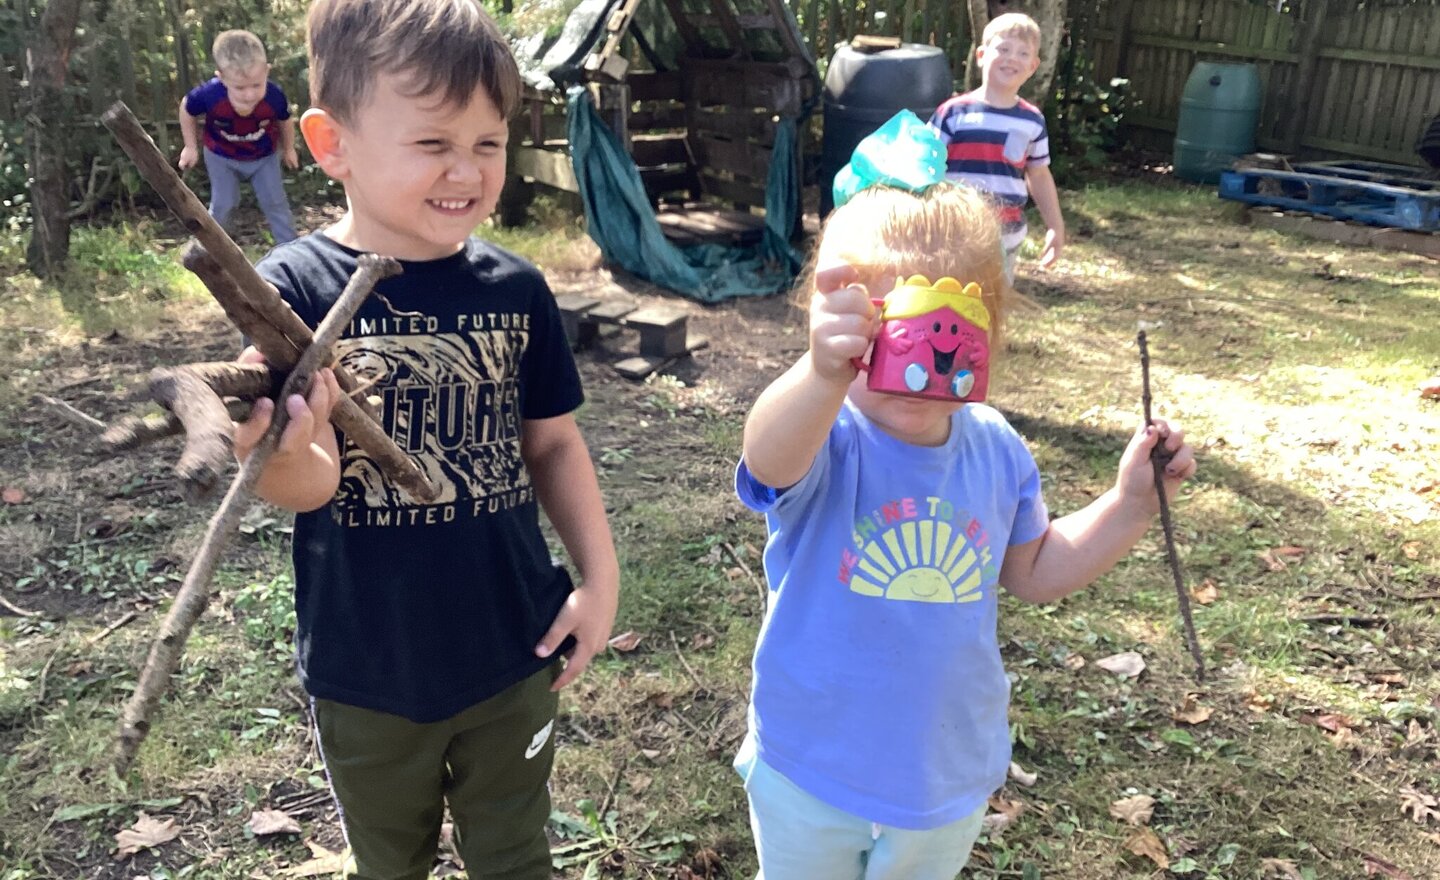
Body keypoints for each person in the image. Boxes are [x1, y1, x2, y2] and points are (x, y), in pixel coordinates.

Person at [230, 2, 620, 877]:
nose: (468, 171)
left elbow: (552, 444)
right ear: (332, 145)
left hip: (514, 646)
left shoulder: (516, 288)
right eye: (433, 143)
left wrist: (600, 580)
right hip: (369, 663)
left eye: (489, 143)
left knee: (516, 854)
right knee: (388, 862)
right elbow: (304, 482)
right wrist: (283, 446)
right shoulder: (291, 291)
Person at [733, 155, 1196, 878]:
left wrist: (1130, 505)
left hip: (944, 771)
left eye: (945, 336)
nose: (910, 366)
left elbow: (1037, 569)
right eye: (879, 337)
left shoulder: (995, 447)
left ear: (987, 337)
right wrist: (821, 376)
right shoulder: (828, 433)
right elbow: (768, 460)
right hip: (810, 762)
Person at [928, 12, 1065, 281]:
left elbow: (1038, 174)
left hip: (1006, 233)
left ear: (1033, 66)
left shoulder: (1032, 121)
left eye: (1023, 53)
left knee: (992, 307)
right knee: (948, 303)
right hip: (952, 231)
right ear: (981, 55)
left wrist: (1055, 225)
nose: (1012, 57)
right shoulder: (953, 113)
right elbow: (924, 166)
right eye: (1003, 48)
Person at [178, 29, 299, 243]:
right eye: (240, 88)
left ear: (266, 72)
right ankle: (211, 249)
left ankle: (291, 248)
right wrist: (190, 146)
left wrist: (289, 148)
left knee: (275, 202)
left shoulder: (273, 96)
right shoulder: (210, 95)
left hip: (264, 156)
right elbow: (187, 108)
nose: (250, 94)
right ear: (221, 78)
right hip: (221, 156)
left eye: (256, 85)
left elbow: (285, 120)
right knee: (224, 203)